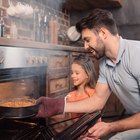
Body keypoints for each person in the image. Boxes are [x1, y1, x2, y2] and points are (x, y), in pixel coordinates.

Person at [36, 8, 140, 140]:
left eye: (87, 40)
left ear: (103, 33)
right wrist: (58, 106)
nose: (85, 46)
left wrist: (109, 127)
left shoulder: (137, 55)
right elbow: (97, 100)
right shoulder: (104, 63)